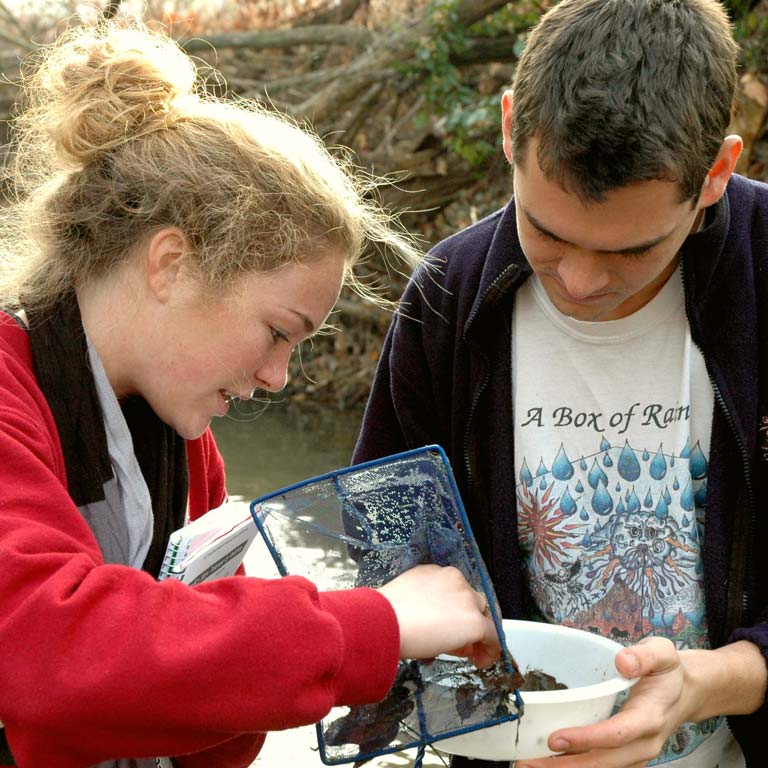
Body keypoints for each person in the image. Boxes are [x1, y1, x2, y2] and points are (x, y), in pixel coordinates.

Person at [0, 19, 502, 768]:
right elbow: (48, 658)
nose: (278, 377)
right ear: (171, 263)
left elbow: (202, 723)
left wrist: (281, 671)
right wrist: (370, 627)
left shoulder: (185, 449)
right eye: (278, 331)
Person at [354, 0, 768, 766]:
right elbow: (384, 545)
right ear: (510, 127)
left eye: (632, 250)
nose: (577, 282)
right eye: (545, 231)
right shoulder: (447, 295)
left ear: (715, 173)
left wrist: (718, 680)